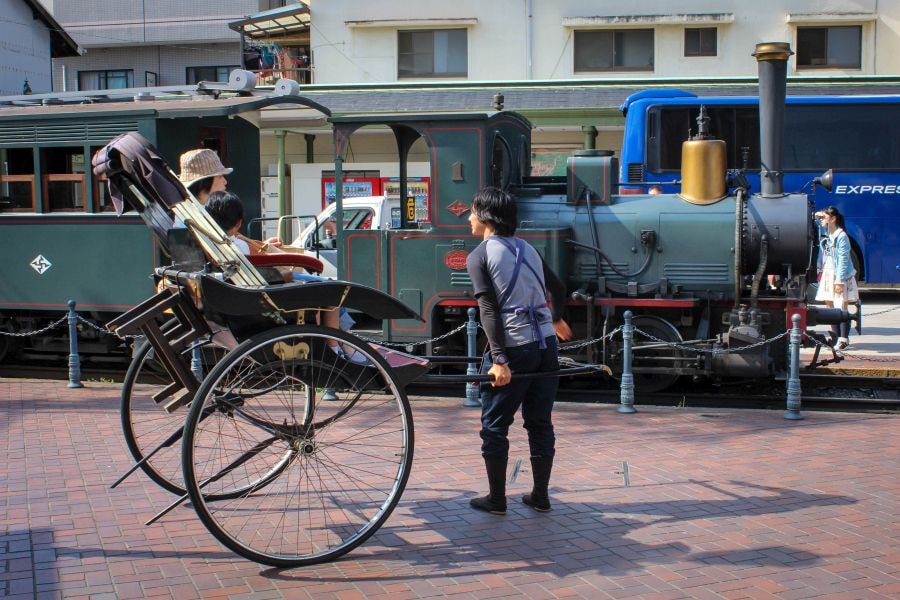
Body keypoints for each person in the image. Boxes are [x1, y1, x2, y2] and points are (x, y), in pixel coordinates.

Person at [465, 187, 572, 515]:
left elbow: (488, 310)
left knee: (495, 424)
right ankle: (540, 496)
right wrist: (554, 319)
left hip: (514, 348)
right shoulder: (529, 249)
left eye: (472, 212)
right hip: (546, 346)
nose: (468, 218)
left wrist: (499, 359)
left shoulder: (480, 255)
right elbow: (559, 288)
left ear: (485, 217)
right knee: (540, 421)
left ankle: (497, 500)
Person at [815, 206, 858, 350]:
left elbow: (844, 259)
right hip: (828, 272)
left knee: (841, 305)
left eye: (824, 218)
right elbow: (817, 223)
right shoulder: (828, 232)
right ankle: (835, 336)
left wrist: (839, 281)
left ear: (832, 219)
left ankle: (843, 339)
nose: (821, 220)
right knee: (830, 306)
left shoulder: (841, 236)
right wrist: (819, 215)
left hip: (840, 273)